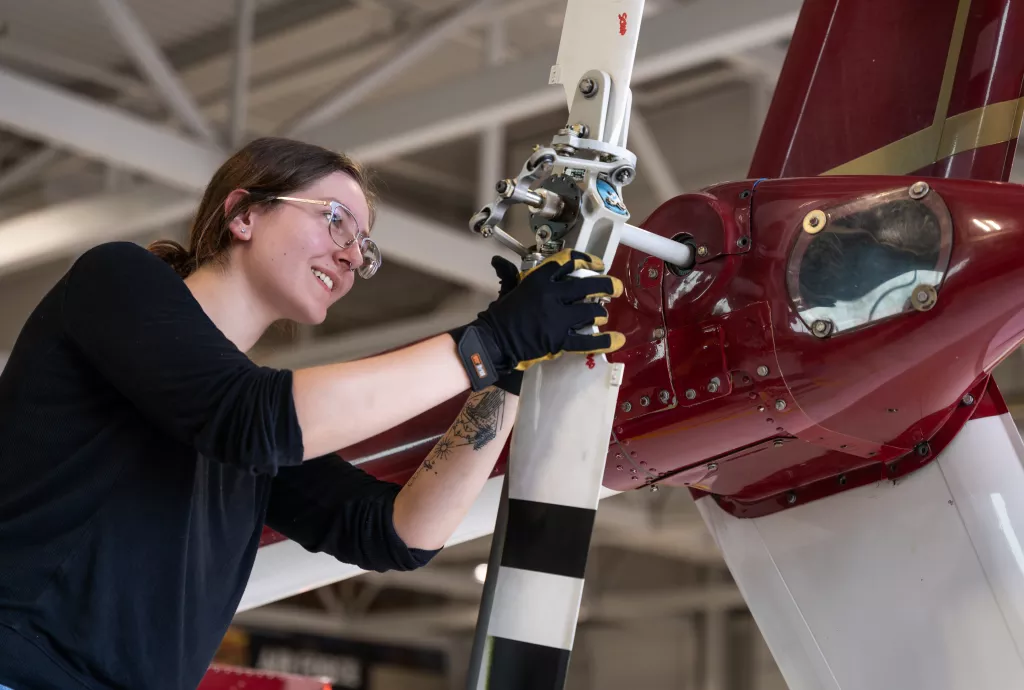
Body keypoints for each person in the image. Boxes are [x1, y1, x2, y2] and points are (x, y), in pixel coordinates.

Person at [0, 137, 625, 689]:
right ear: (243, 214)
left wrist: (504, 376)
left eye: (364, 246)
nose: (353, 257)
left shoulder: (246, 432)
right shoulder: (116, 280)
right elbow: (251, 416)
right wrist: (487, 343)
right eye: (335, 221)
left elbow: (398, 533)